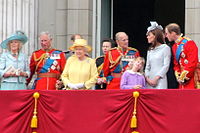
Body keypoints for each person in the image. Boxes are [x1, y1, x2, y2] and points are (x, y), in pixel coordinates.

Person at [165, 23, 198, 89]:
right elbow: (176, 64)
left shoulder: (189, 43)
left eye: (167, 33)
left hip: (191, 79)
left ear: (173, 33)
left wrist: (184, 77)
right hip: (181, 81)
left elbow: (193, 62)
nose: (166, 36)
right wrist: (178, 76)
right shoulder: (174, 46)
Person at [145, 21, 171, 89]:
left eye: (149, 35)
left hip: (160, 79)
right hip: (149, 80)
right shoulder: (150, 50)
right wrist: (147, 78)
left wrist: (157, 78)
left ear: (155, 36)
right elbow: (147, 66)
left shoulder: (165, 48)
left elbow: (166, 65)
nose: (147, 37)